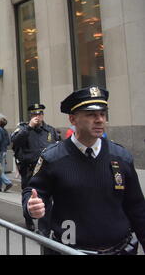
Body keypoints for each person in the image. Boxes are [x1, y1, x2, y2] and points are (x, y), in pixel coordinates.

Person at [24, 86, 145, 255]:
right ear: (73, 119)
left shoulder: (121, 156)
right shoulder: (53, 158)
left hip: (120, 249)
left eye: (102, 114)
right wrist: (32, 206)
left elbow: (137, 207)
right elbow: (34, 191)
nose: (100, 120)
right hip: (70, 249)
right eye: (91, 114)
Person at [11, 103, 59, 234]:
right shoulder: (23, 129)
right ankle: (28, 217)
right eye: (34, 114)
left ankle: (44, 228)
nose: (37, 117)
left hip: (47, 170)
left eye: (40, 114)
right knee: (30, 196)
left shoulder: (50, 130)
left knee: (47, 199)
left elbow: (57, 146)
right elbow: (15, 142)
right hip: (29, 170)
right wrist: (29, 127)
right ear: (30, 116)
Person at [0, 117, 13, 192]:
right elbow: (8, 142)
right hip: (4, 151)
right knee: (1, 169)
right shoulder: (5, 131)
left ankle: (8, 182)